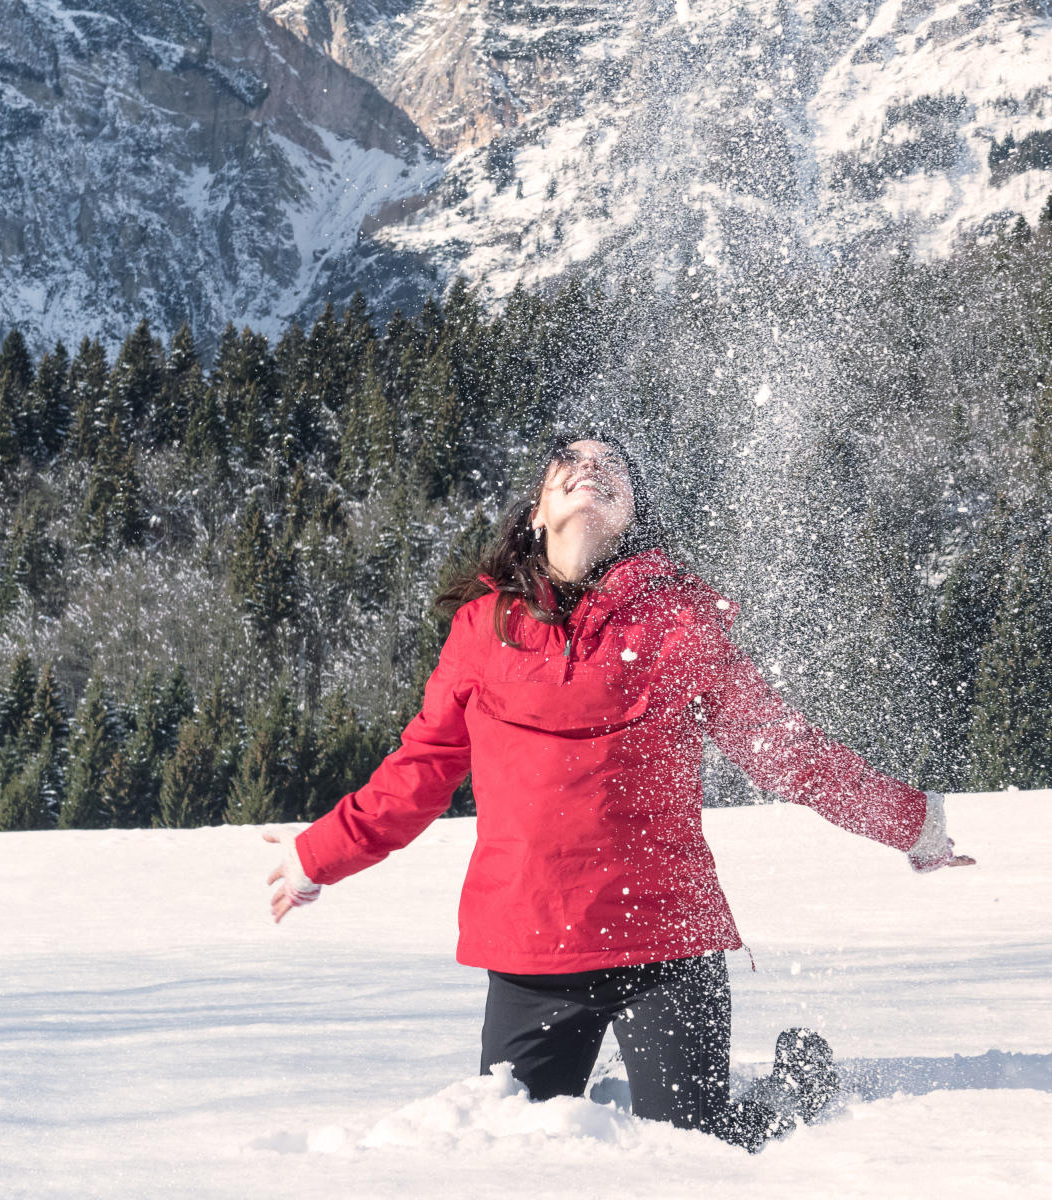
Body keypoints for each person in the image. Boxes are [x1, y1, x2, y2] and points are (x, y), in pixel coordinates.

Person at [265, 434, 974, 1151]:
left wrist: (916, 825)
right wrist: (314, 857)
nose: (592, 469)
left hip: (667, 947)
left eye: (614, 468)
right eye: (569, 463)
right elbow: (420, 769)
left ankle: (794, 1086)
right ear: (537, 512)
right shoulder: (484, 628)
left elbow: (785, 753)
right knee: (513, 1152)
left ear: (632, 518)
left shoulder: (680, 624)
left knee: (704, 1151)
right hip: (532, 952)